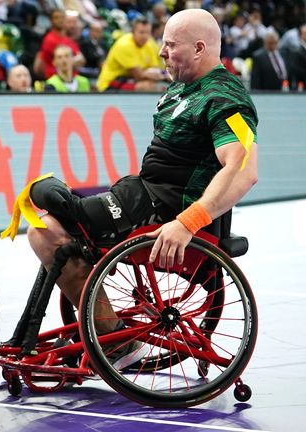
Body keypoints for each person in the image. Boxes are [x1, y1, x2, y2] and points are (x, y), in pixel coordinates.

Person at [19, 8, 258, 363]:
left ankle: (114, 339)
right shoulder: (183, 88)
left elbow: (243, 171)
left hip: (167, 210)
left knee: (47, 226)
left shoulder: (225, 98)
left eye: (170, 45)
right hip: (143, 194)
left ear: (198, 48)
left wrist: (187, 223)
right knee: (46, 221)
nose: (161, 52)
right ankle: (107, 328)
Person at [96, 16, 168, 92]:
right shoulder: (124, 45)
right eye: (141, 32)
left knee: (161, 85)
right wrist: (163, 76)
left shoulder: (149, 43)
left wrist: (162, 74)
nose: (145, 36)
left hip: (130, 79)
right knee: (146, 86)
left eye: (147, 33)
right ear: (132, 32)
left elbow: (155, 69)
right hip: (110, 83)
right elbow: (139, 75)